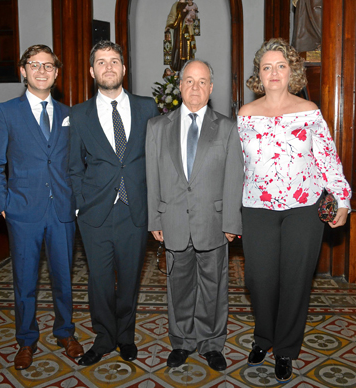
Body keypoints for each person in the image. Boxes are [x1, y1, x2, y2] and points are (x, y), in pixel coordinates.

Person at [238, 38, 351, 383]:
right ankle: (263, 336)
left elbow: (327, 159)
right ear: (259, 74)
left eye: (281, 66)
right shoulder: (245, 115)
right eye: (267, 67)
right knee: (259, 280)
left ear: (292, 72)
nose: (274, 72)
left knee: (295, 281)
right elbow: (237, 167)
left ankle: (285, 348)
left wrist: (342, 199)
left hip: (304, 208)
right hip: (257, 208)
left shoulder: (309, 110)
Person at [0, 44, 84, 370]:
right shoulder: (6, 111)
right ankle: (26, 340)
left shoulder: (71, 115)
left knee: (63, 279)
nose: (42, 71)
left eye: (49, 66)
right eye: (35, 65)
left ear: (57, 73)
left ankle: (65, 332)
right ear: (23, 71)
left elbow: (77, 164)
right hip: (22, 211)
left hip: (62, 213)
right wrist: (3, 204)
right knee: (25, 282)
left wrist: (78, 202)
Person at [146, 59, 244, 372]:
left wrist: (232, 221)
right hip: (173, 221)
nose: (195, 88)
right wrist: (154, 218)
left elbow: (234, 178)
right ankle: (182, 341)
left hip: (213, 223)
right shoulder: (157, 127)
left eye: (202, 82)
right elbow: (152, 177)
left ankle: (212, 343)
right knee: (179, 288)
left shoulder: (227, 128)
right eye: (189, 81)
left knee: (215, 287)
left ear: (211, 88)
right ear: (180, 86)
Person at [68, 40, 159, 366]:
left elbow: (155, 160)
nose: (109, 67)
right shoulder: (78, 115)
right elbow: (74, 166)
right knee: (100, 281)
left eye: (115, 61)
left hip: (134, 210)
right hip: (95, 214)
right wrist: (80, 205)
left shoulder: (148, 107)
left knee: (130, 279)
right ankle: (105, 337)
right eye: (102, 62)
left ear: (124, 68)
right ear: (92, 71)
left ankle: (126, 336)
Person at [165, 0, 197, 71]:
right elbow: (171, 16)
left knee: (186, 48)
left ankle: (187, 68)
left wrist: (190, 21)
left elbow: (193, 15)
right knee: (177, 47)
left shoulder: (189, 4)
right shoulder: (175, 5)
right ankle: (177, 67)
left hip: (186, 30)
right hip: (177, 31)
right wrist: (169, 25)